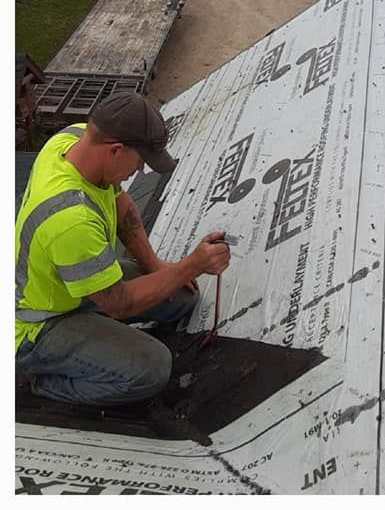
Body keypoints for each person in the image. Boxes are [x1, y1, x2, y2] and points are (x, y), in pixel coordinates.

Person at [15, 91, 231, 407]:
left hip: (73, 287)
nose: (140, 170)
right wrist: (190, 265)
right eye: (140, 161)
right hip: (41, 322)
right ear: (115, 150)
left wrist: (159, 267)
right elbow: (119, 304)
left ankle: (95, 337)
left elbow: (120, 206)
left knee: (182, 296)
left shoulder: (72, 140)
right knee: (153, 369)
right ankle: (41, 381)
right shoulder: (69, 218)